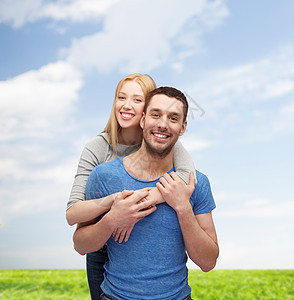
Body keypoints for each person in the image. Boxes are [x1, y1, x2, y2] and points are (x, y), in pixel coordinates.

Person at [73, 87, 219, 300]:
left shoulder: (196, 183)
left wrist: (183, 207)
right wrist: (112, 220)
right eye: (156, 114)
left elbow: (208, 262)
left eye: (173, 118)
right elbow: (80, 245)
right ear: (142, 120)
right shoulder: (103, 176)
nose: (163, 124)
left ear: (183, 127)